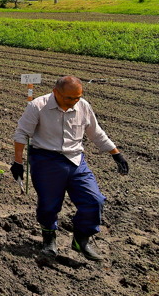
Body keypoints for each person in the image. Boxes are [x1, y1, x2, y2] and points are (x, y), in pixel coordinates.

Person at [11, 76, 129, 260]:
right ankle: (49, 239)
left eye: (78, 97)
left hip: (75, 160)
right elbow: (22, 133)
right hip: (45, 159)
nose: (74, 102)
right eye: (69, 98)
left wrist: (116, 154)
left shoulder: (83, 106)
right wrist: (18, 163)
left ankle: (81, 239)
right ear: (55, 92)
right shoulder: (38, 106)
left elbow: (96, 133)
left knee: (94, 200)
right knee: (49, 204)